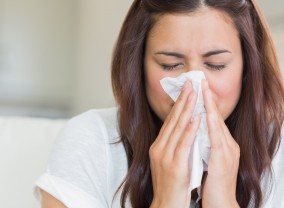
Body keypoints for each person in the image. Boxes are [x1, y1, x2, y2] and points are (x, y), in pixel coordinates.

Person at [34, 0, 284, 207]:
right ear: (138, 67)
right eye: (170, 65)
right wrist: (166, 201)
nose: (193, 87)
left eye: (216, 64)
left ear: (248, 68)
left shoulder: (279, 151)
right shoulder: (91, 139)